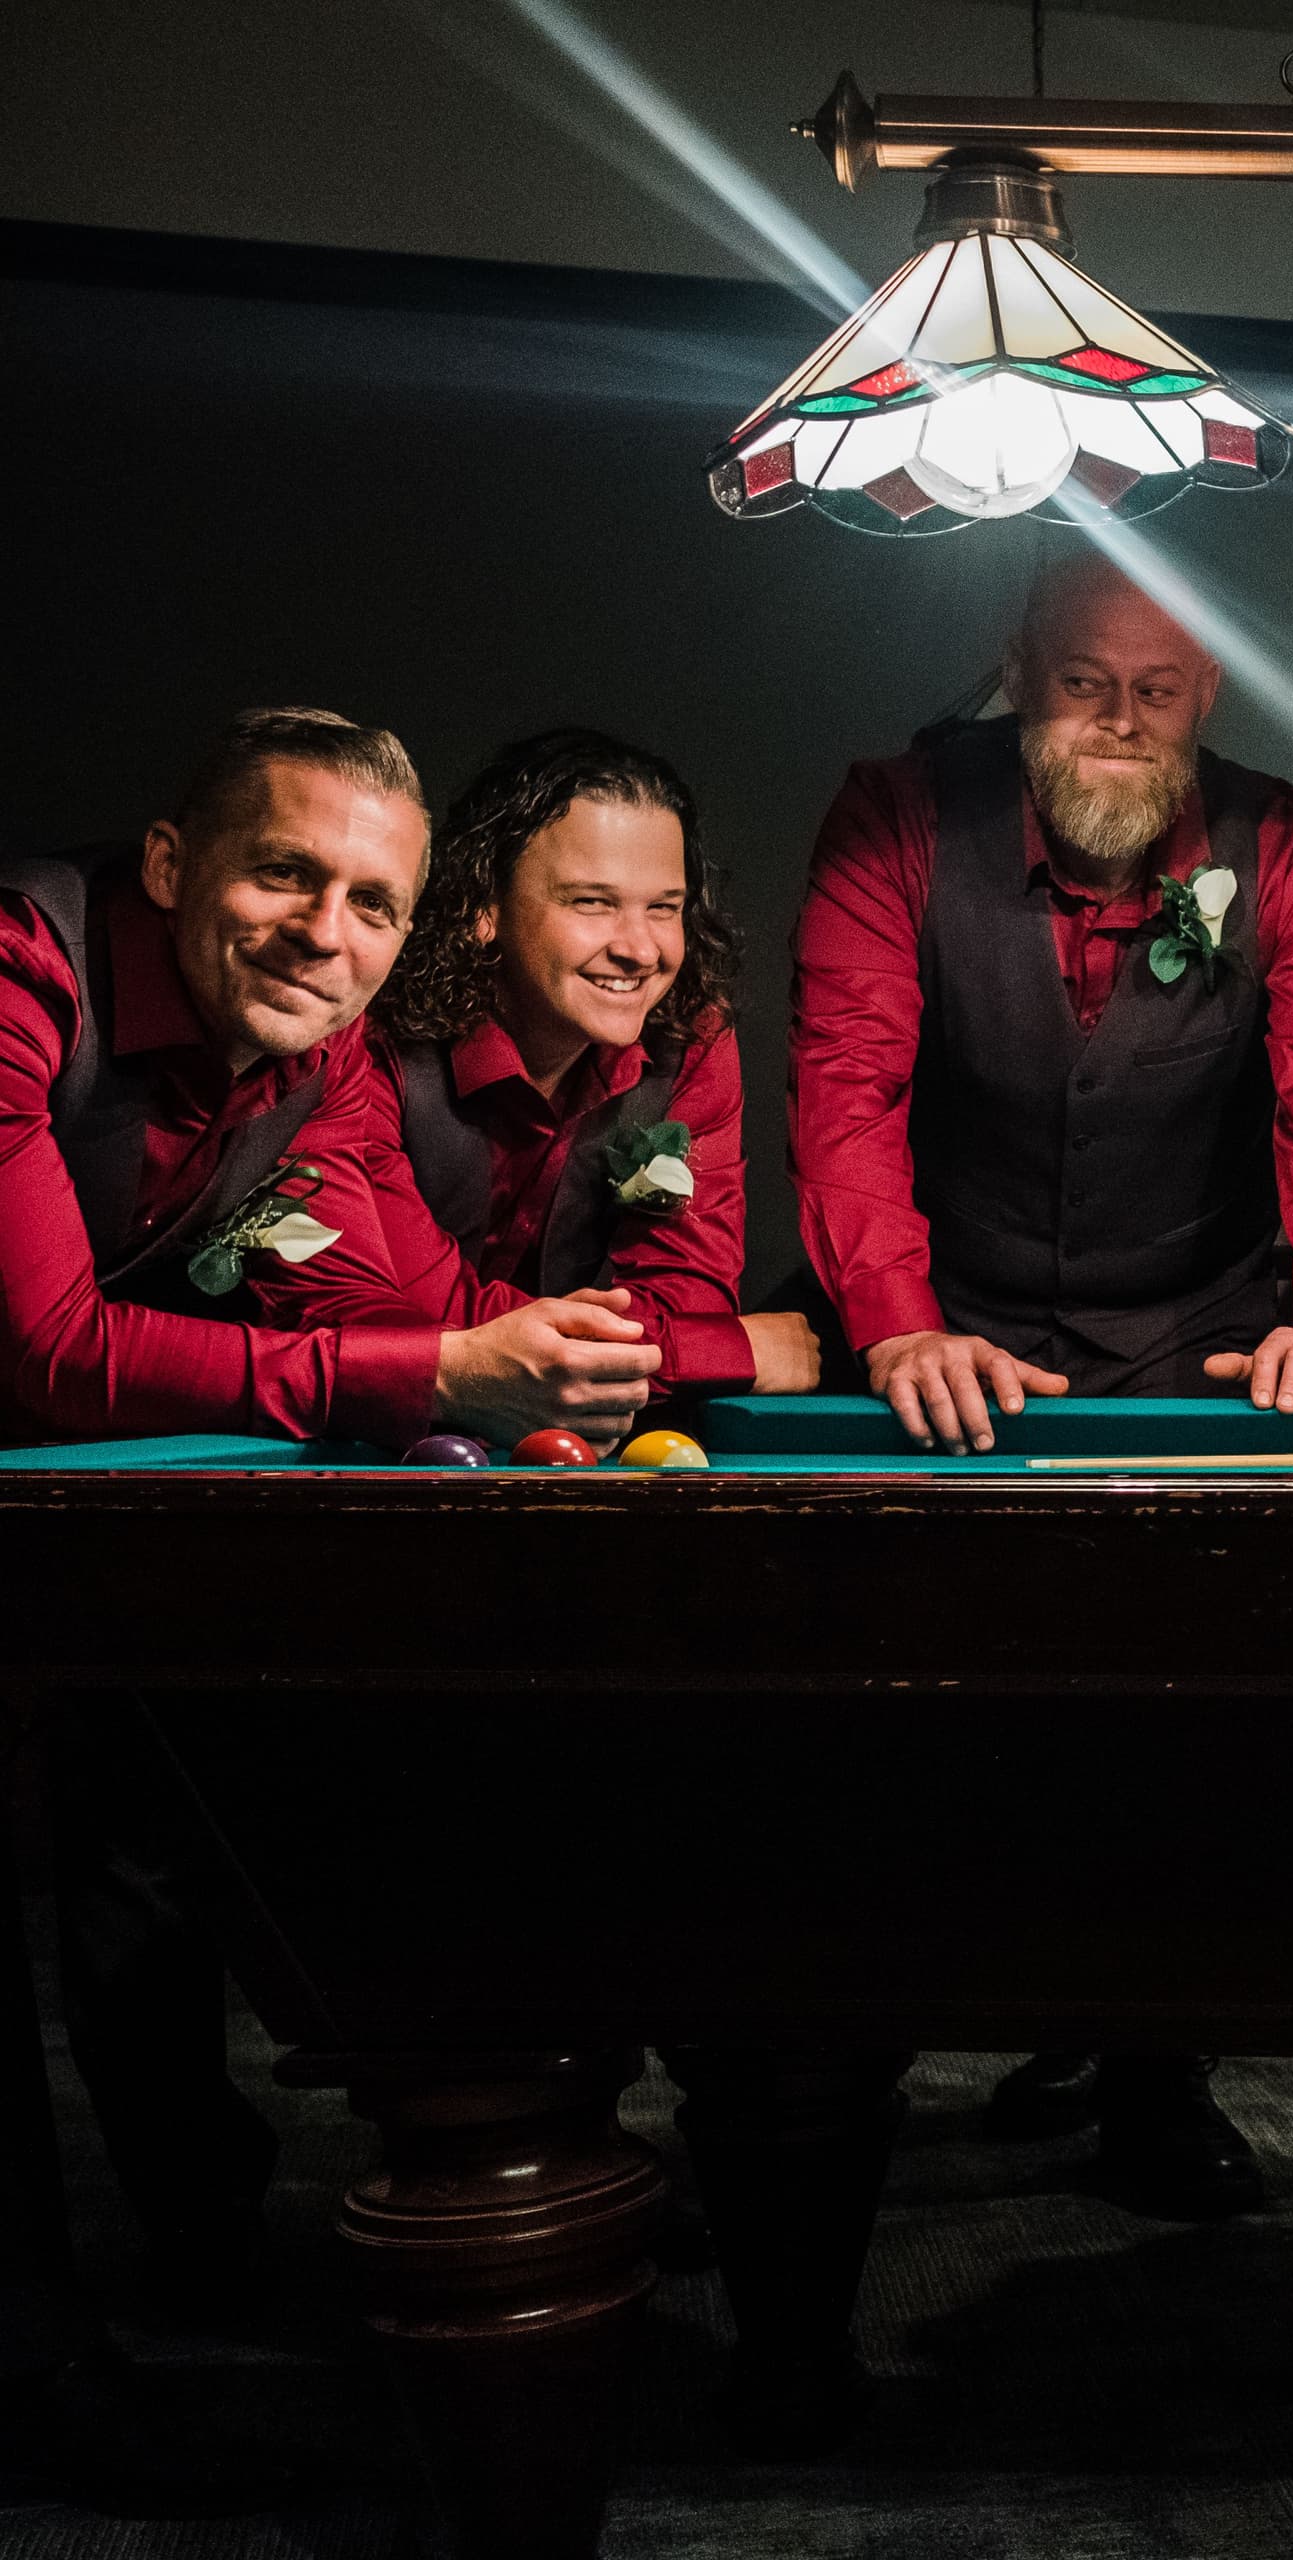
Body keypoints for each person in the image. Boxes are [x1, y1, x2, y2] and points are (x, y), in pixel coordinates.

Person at [0, 708, 659, 2508]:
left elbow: (397, 1281)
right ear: (168, 865)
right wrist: (443, 1366)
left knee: (151, 1824)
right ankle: (39, 2372)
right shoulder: (17, 966)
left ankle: (196, 2253)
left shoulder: (328, 1049)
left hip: (59, 1551)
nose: (325, 932)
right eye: (285, 872)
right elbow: (44, 1351)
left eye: (372, 902)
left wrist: (529, 1399)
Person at [790, 554, 1293, 2219]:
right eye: (1082, 684)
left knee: (1180, 1726)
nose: (1119, 721)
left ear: (1207, 695)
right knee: (933, 1725)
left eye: (1154, 690)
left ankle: (1154, 2066)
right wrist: (895, 1323)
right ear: (1019, 673)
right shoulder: (895, 814)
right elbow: (847, 1090)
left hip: (1193, 1336)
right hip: (954, 1335)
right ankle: (841, 2085)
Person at [367, 728, 817, 1395]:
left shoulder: (690, 1037)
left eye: (664, 908)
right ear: (483, 906)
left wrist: (680, 1339)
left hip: (578, 1444)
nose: (640, 949)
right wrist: (725, 1354)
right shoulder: (368, 1035)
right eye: (592, 903)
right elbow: (405, 1314)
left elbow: (686, 1300)